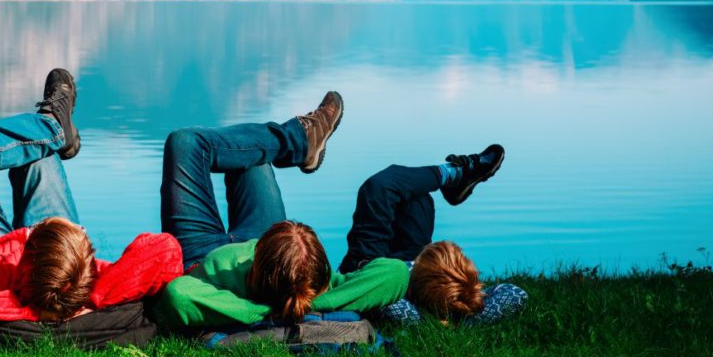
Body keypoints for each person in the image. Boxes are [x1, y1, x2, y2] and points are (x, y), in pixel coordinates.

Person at [0, 69, 183, 322]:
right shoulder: (89, 284)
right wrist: (89, 296)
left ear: (29, 242)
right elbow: (166, 251)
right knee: (38, 153)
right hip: (61, 262)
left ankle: (52, 128)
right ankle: (53, 130)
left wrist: (16, 309)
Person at [153, 92, 410, 330]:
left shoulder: (242, 295)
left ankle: (298, 138)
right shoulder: (317, 283)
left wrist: (270, 312)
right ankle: (301, 140)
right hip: (267, 243)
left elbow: (180, 295)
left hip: (200, 253)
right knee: (249, 152)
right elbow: (395, 274)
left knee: (186, 142)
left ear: (255, 265)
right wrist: (306, 305)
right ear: (322, 279)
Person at [338, 148, 528, 325]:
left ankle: (451, 173)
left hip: (369, 270)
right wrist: (467, 311)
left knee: (379, 187)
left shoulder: (403, 310)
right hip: (409, 261)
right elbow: (516, 293)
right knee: (417, 197)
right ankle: (455, 178)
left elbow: (388, 299)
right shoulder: (457, 307)